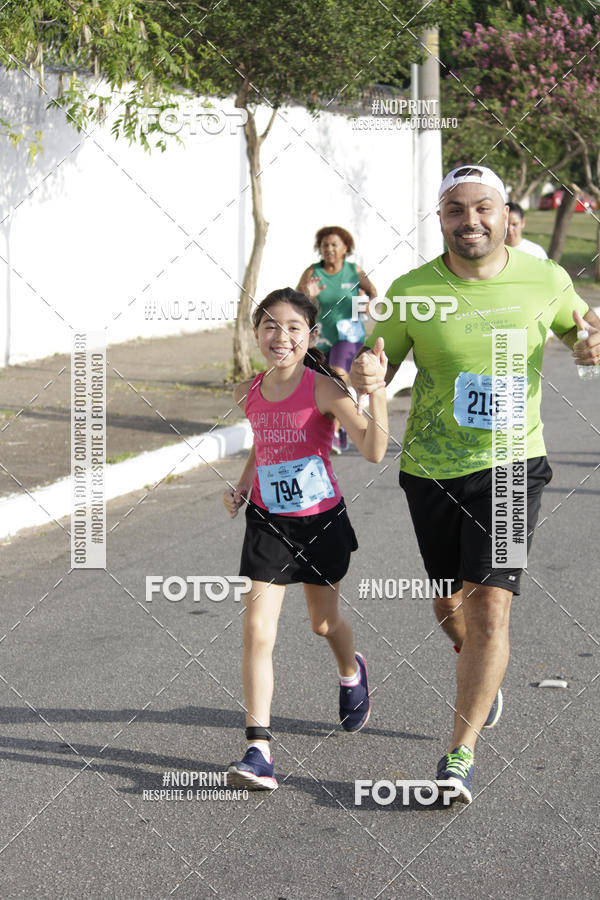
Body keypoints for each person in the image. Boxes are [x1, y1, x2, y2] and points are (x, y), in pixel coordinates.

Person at [351, 164, 600, 804]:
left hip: (513, 465)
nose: (472, 221)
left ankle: (458, 754)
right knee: (449, 602)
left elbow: (582, 331)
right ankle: (475, 672)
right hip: (432, 469)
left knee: (491, 603)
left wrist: (589, 344)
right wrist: (368, 372)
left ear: (503, 213)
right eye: (457, 210)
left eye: (483, 208)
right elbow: (370, 360)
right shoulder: (411, 290)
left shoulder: (544, 277)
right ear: (441, 219)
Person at [223, 287, 388, 790]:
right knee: (258, 629)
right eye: (270, 326)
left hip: (320, 523)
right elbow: (265, 440)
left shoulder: (324, 388)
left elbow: (374, 448)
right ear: (256, 334)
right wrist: (246, 481)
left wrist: (376, 389)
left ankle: (350, 669)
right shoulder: (248, 391)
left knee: (322, 622)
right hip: (269, 521)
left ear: (310, 335)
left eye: (293, 327)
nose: (281, 336)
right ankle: (258, 749)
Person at [297, 226, 377, 453]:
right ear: (319, 249)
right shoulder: (313, 272)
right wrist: (307, 296)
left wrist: (370, 302)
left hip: (349, 335)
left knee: (338, 374)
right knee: (320, 384)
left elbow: (372, 291)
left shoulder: (354, 271)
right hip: (321, 336)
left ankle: (334, 431)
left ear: (345, 248)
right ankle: (338, 429)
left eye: (334, 245)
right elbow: (295, 300)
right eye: (325, 245)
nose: (329, 249)